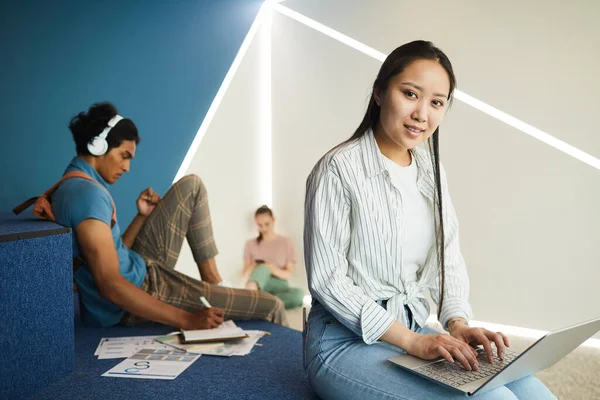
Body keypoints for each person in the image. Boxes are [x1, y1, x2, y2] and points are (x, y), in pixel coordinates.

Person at [302, 41, 556, 399]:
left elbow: (447, 258)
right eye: (410, 94)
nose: (422, 113)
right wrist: (413, 342)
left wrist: (457, 325)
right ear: (379, 91)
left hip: (415, 332)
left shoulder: (430, 171)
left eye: (437, 102)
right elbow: (328, 282)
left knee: (534, 394)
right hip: (343, 344)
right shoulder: (337, 170)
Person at [49, 101, 287, 329]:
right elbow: (110, 285)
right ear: (97, 146)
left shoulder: (74, 185)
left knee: (191, 186)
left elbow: (111, 254)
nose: (127, 168)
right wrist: (186, 320)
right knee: (271, 305)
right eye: (124, 156)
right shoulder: (88, 196)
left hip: (140, 267)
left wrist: (142, 216)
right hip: (144, 289)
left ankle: (213, 283)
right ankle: (216, 292)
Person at [243, 205, 304, 309]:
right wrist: (255, 265)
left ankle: (261, 305)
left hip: (280, 287)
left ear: (273, 220)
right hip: (259, 287)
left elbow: (288, 275)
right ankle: (251, 300)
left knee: (299, 295)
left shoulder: (286, 242)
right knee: (263, 268)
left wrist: (272, 268)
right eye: (259, 225)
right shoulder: (250, 244)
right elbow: (244, 275)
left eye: (267, 224)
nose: (263, 228)